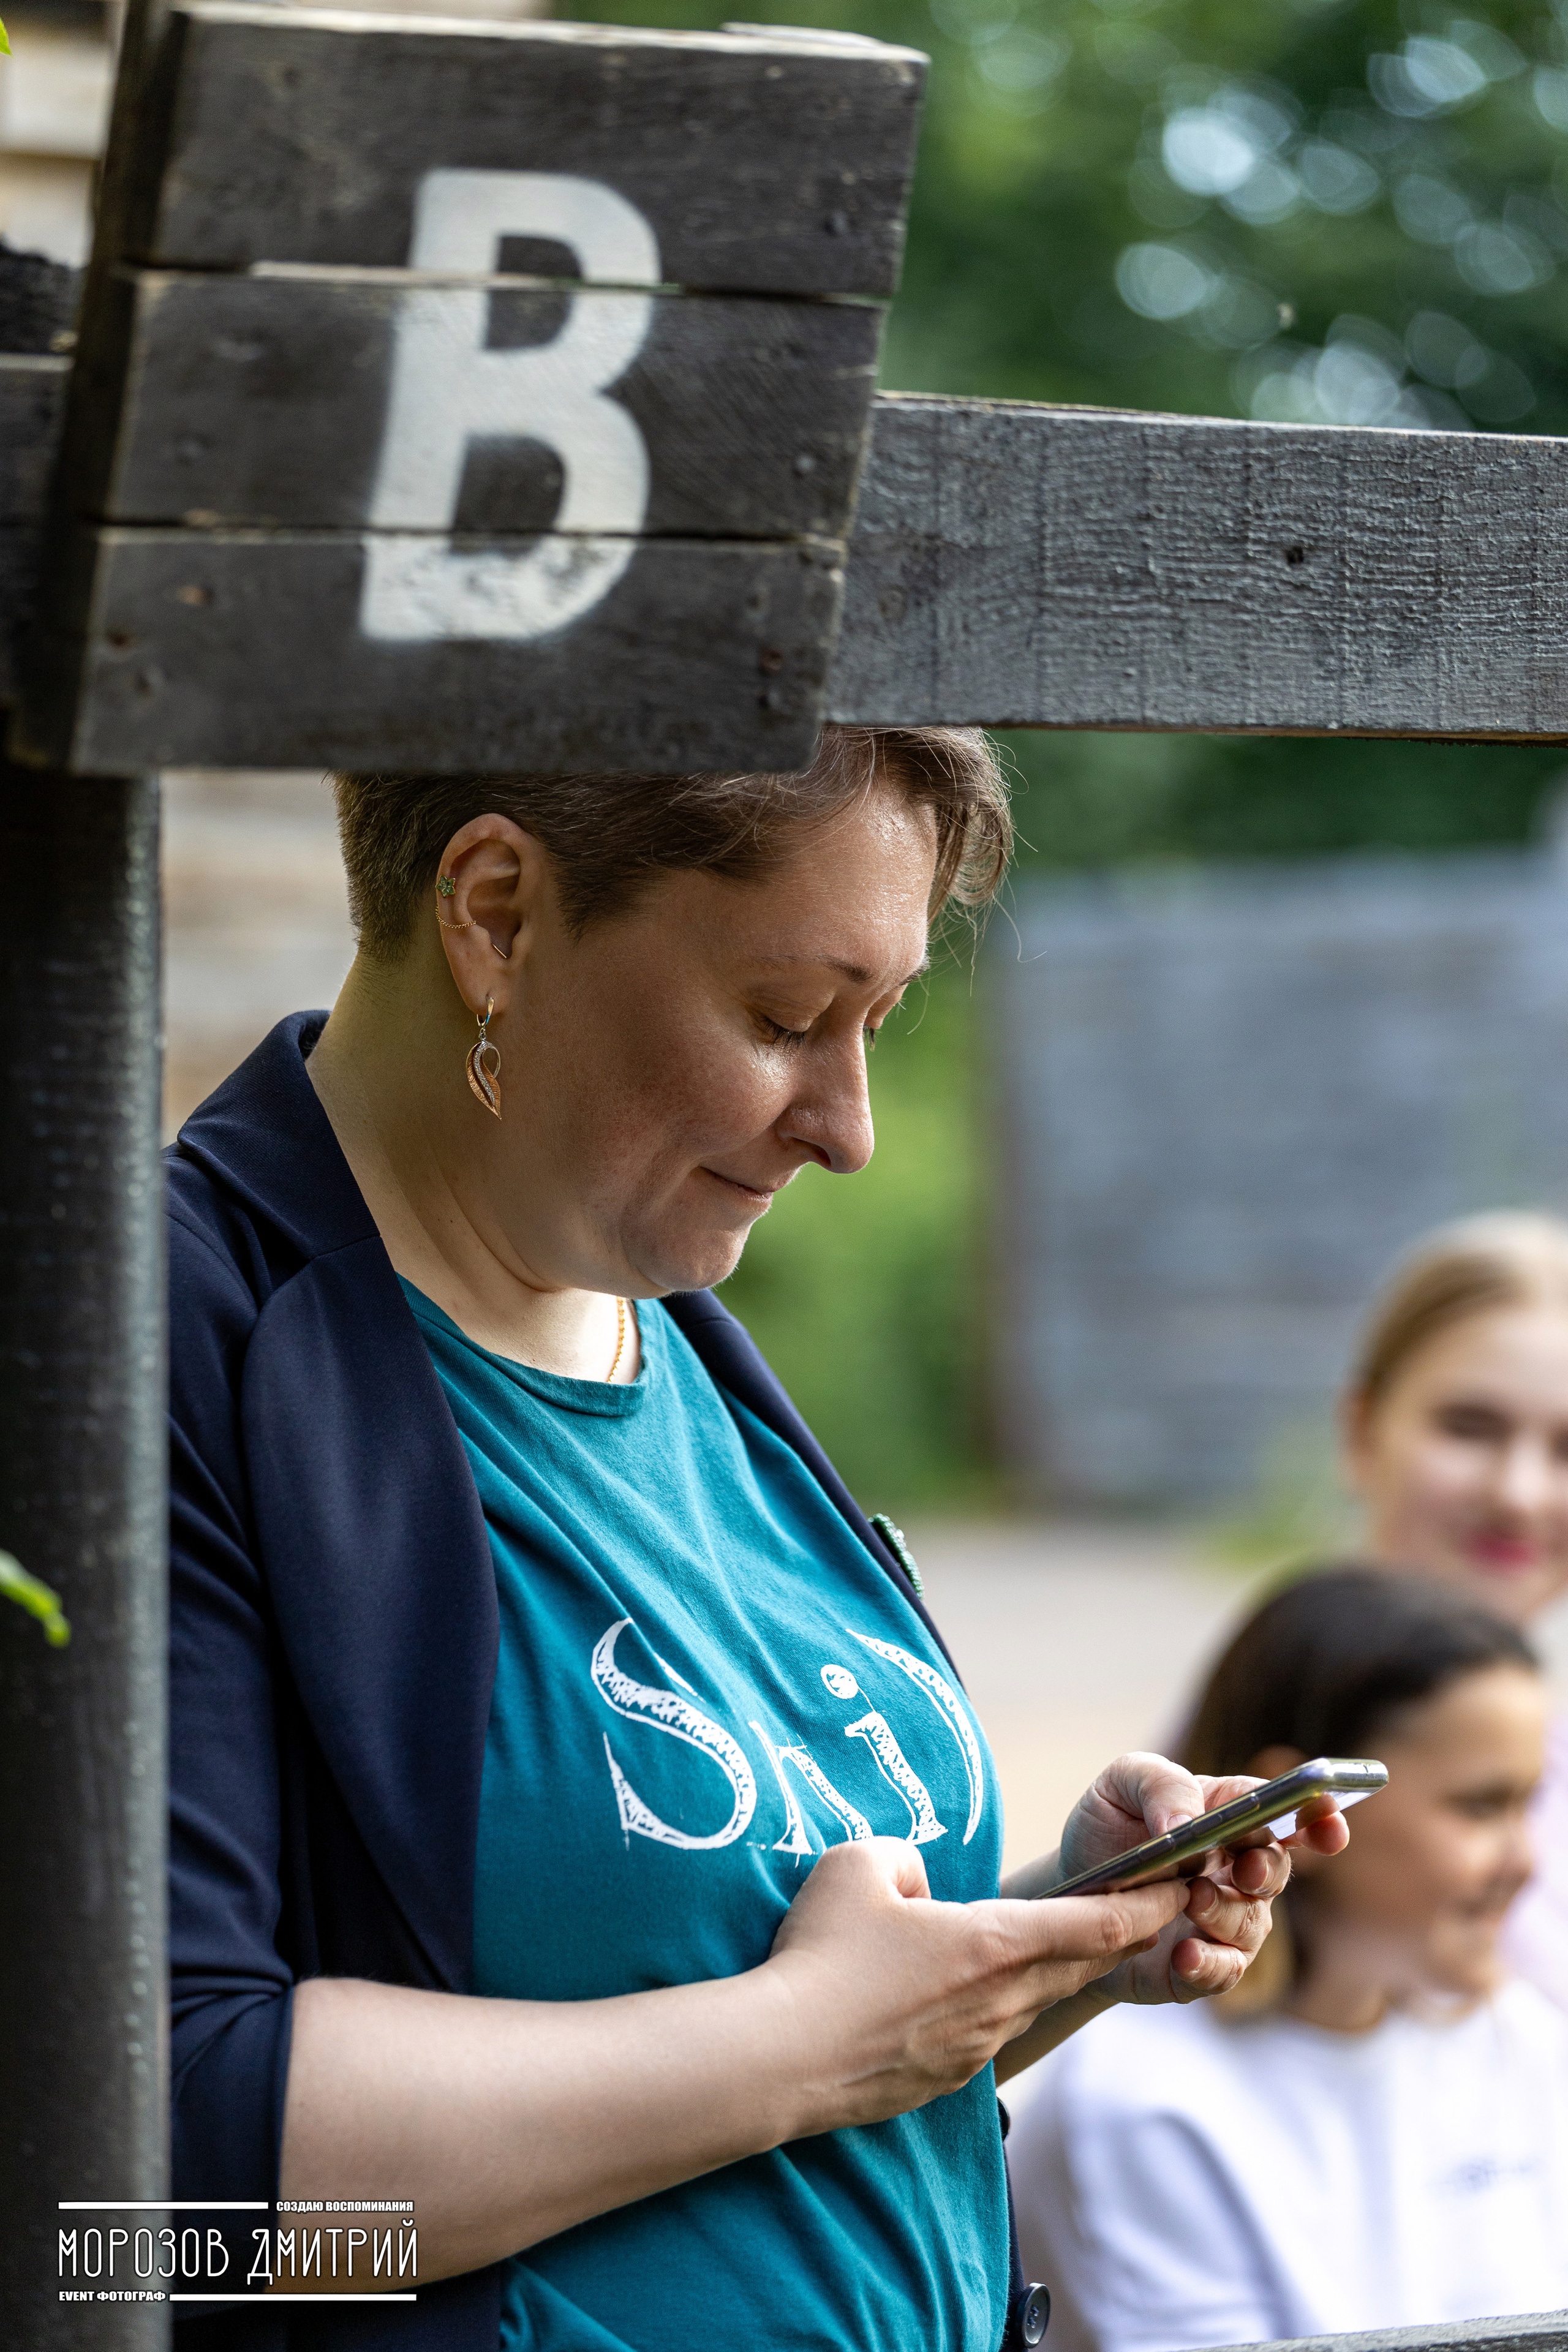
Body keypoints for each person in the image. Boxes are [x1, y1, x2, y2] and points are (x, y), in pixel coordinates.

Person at [167, 725, 1346, 2352]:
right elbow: (145, 2210)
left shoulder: (681, 1330)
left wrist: (1041, 1940)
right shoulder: (155, 1346)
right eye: (789, 1018)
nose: (853, 1129)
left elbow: (705, 2054)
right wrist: (809, 2041)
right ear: (499, 914)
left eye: (883, 1022)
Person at [1006, 1565, 1568, 2352]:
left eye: (1529, 1804)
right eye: (1481, 1806)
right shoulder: (1146, 2103)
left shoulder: (1518, 2037)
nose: (1527, 1863)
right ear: (1309, 1812)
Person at [1341, 1213, 1568, 2003]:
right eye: (1469, 1428)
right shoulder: (1268, 1732)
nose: (1518, 1494)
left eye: (1566, 1449)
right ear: (1362, 1431)